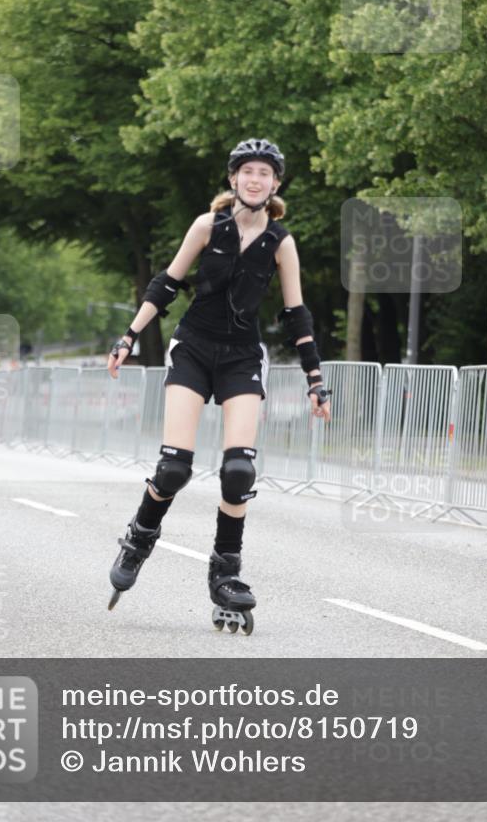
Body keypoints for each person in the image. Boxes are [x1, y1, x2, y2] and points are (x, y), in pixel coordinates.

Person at [106, 138, 332, 634]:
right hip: (192, 349)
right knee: (172, 469)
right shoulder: (208, 226)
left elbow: (296, 313)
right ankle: (140, 537)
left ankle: (225, 573)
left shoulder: (281, 243)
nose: (255, 179)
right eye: (247, 171)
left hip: (242, 358)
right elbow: (167, 283)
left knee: (237, 471)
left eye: (264, 173)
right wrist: (129, 335)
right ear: (233, 179)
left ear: (275, 184)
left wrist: (316, 378)